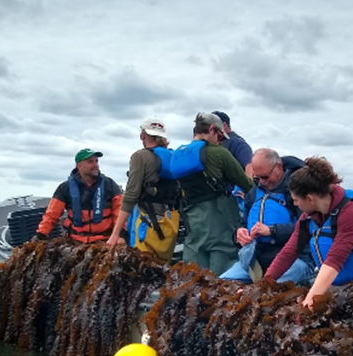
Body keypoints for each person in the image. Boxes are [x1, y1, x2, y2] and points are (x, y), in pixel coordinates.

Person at [265, 157, 353, 308]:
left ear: (309, 198)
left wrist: (311, 298)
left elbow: (335, 259)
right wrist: (263, 284)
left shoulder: (350, 213)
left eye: (295, 200)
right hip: (334, 283)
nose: (295, 204)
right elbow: (288, 253)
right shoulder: (307, 218)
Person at [220, 148, 314, 284]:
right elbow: (243, 223)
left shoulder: (297, 192)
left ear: (279, 167)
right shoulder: (253, 194)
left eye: (265, 176)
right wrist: (238, 234)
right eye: (257, 178)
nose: (262, 182)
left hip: (294, 259)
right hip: (254, 259)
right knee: (222, 284)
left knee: (272, 290)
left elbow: (309, 227)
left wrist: (271, 230)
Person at [180, 112, 254, 275]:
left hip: (192, 217)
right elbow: (247, 184)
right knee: (223, 262)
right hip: (219, 217)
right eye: (220, 136)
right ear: (212, 129)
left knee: (195, 265)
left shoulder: (182, 155)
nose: (220, 141)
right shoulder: (219, 153)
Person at [106, 118, 180, 262]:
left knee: (141, 269)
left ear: (143, 136)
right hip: (170, 221)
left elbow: (131, 195)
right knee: (162, 270)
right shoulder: (172, 157)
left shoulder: (140, 157)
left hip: (147, 223)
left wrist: (116, 233)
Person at [35, 148, 123, 243]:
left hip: (106, 240)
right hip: (75, 242)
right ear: (79, 165)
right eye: (90, 162)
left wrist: (121, 235)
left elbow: (120, 212)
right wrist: (41, 234)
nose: (96, 165)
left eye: (96, 161)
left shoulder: (110, 185)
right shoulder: (65, 188)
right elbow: (52, 214)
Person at [212, 111, 253, 177]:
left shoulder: (238, 143)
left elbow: (250, 167)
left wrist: (248, 186)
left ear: (224, 125)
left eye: (212, 126)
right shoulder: (210, 144)